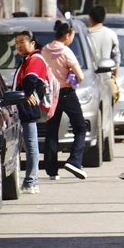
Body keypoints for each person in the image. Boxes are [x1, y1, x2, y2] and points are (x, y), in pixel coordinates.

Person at [41, 21, 87, 180]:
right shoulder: (66, 52)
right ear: (67, 35)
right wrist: (72, 78)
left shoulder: (45, 50)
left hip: (51, 94)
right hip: (66, 93)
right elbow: (80, 76)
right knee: (80, 127)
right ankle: (74, 160)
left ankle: (51, 170)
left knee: (52, 130)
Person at [13, 30, 47, 194]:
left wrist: (26, 94)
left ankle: (31, 181)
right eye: (16, 42)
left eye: (22, 42)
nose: (19, 45)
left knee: (31, 145)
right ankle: (28, 181)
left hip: (27, 108)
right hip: (22, 107)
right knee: (26, 145)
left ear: (32, 43)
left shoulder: (35, 59)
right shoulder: (26, 59)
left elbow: (31, 79)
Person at [88, 5, 121, 75]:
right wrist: (114, 77)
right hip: (107, 77)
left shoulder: (86, 35)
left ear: (90, 18)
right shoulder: (111, 34)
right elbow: (116, 58)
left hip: (88, 76)